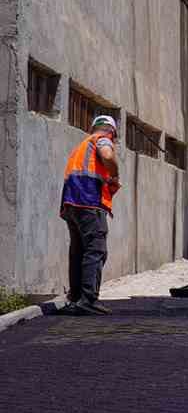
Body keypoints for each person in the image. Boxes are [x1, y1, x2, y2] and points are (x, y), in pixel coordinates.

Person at [58, 115, 120, 315]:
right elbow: (108, 156)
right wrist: (114, 175)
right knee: (96, 250)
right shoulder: (101, 140)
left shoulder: (81, 146)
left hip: (71, 204)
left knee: (78, 252)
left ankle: (76, 298)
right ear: (111, 131)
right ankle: (88, 299)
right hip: (89, 201)